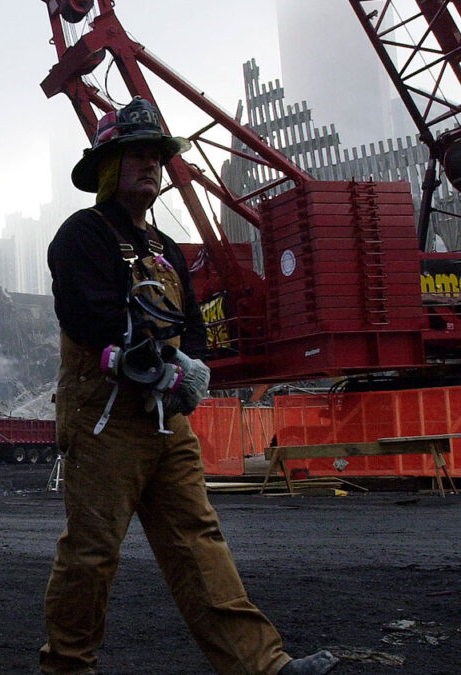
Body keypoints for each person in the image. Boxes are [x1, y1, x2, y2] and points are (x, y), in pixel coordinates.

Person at [41, 96, 339, 675]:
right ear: (108, 165)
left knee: (198, 540)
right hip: (103, 419)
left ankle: (263, 666)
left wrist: (193, 369)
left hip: (165, 418)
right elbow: (90, 320)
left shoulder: (165, 248)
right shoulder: (82, 235)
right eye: (135, 155)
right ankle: (67, 668)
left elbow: (194, 329)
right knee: (93, 552)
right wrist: (157, 363)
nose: (150, 165)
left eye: (155, 155)